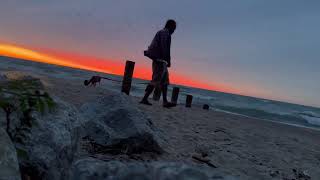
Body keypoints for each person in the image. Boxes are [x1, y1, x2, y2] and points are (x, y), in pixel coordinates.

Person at [140, 19, 177, 108]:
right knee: (156, 80)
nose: (174, 31)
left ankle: (164, 101)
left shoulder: (162, 32)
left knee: (165, 81)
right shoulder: (165, 33)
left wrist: (166, 61)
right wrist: (168, 60)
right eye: (174, 28)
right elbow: (165, 48)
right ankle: (144, 98)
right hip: (160, 60)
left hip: (161, 60)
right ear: (171, 26)